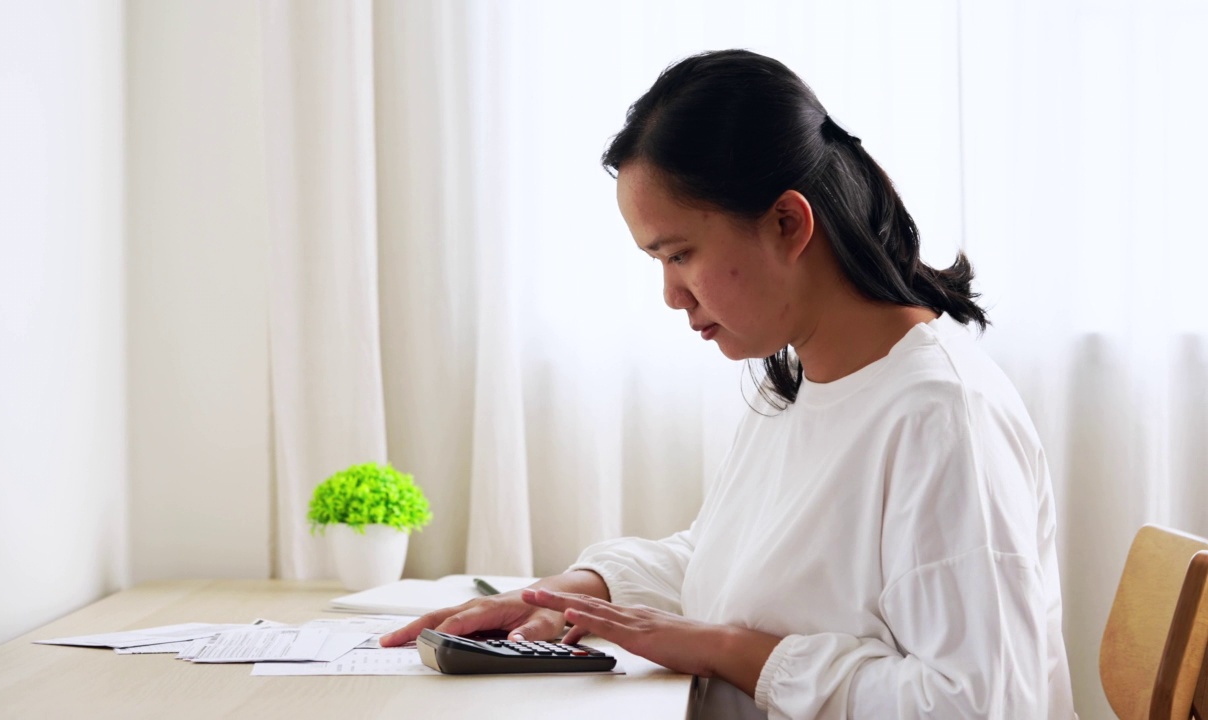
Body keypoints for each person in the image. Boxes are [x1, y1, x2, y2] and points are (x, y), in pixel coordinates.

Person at [382, 49, 1076, 719]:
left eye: (680, 254)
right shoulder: (798, 384)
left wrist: (730, 652)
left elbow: (976, 705)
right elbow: (731, 563)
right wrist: (577, 592)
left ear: (788, 223)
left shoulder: (941, 418)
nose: (671, 295)